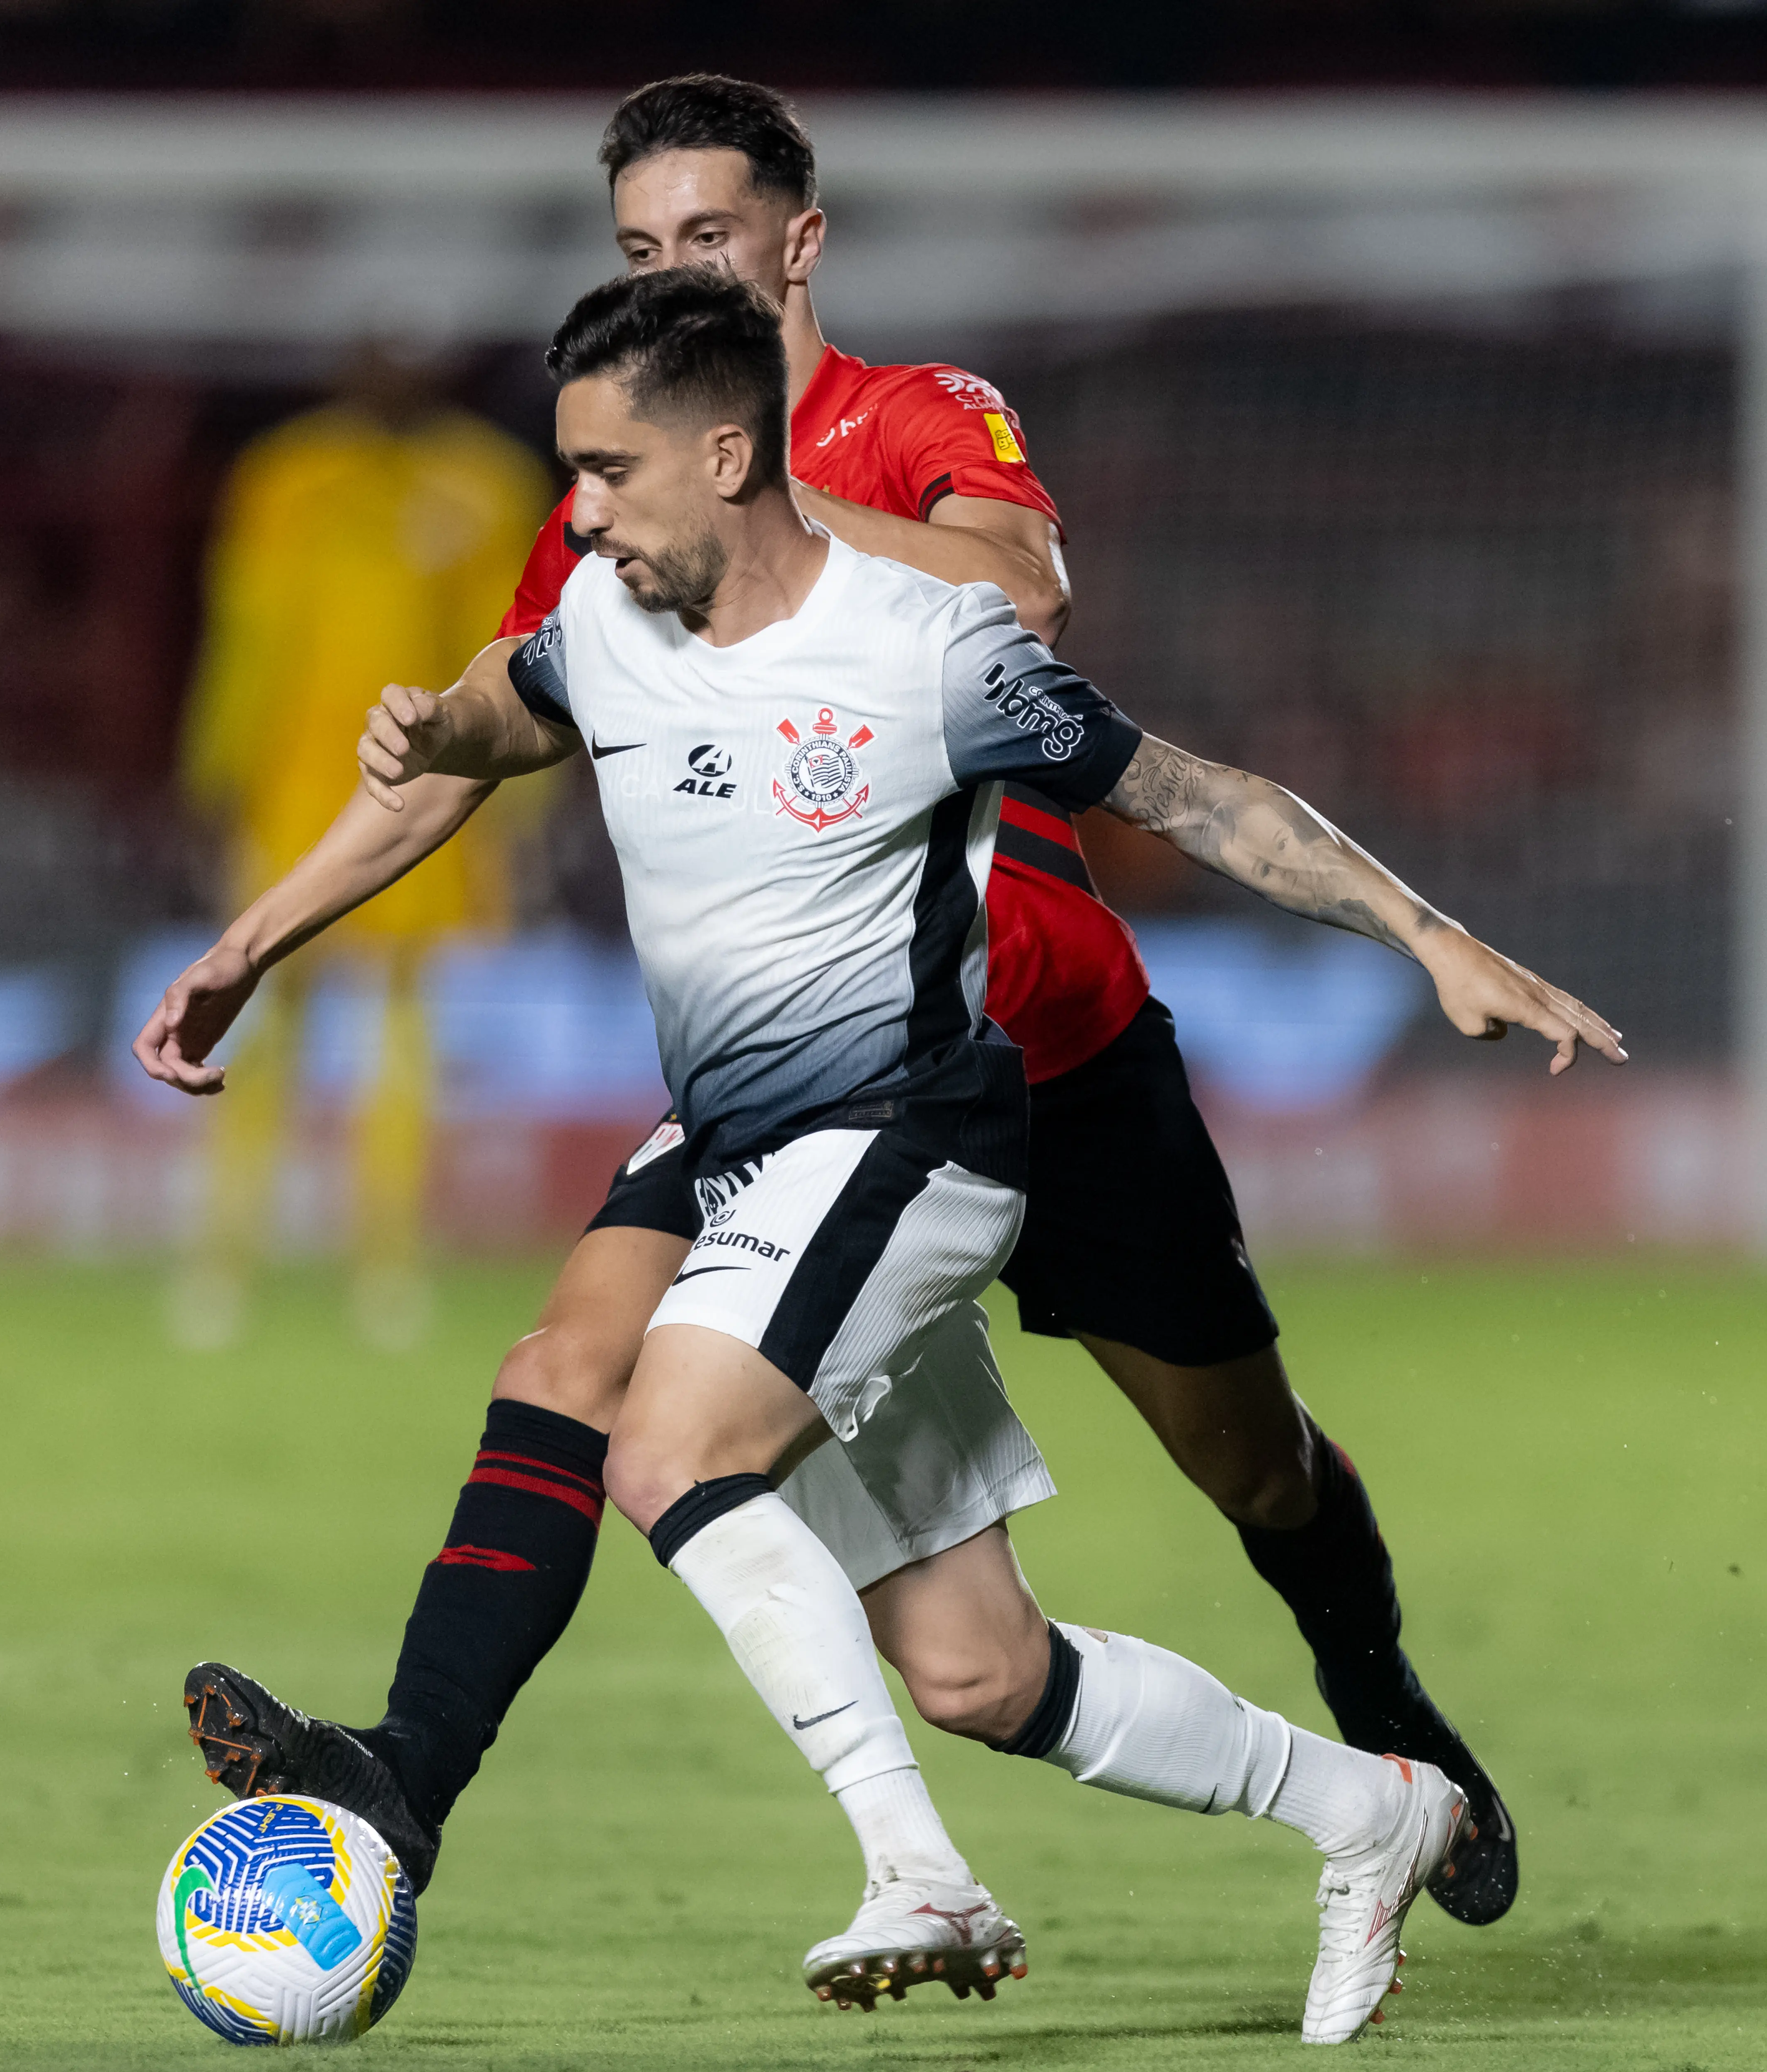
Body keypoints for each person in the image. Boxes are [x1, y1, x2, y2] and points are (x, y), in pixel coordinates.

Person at [143, 268, 1621, 2041]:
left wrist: (1428, 933)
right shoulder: (609, 625)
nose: (580, 512)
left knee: (666, 1435)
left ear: (726, 449)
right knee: (981, 1666)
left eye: (608, 473)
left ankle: (918, 1873)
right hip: (749, 1154)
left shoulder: (925, 650)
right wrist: (417, 742)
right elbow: (502, 711)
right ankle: (1375, 1809)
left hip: (915, 1134)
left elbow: (1201, 794)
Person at [405, 73, 1523, 1922]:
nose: (679, 268)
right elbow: (500, 715)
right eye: (640, 249)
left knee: (1249, 1462)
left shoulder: (913, 426)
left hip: (1048, 1056)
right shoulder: (617, 515)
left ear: (794, 241)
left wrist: (768, 498)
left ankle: (1374, 1708)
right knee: (585, 1381)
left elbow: (1036, 605)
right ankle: (397, 1792)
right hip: (794, 1098)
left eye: (706, 238)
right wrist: (260, 933)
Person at [174, 341, 549, 1348]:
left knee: (404, 1028)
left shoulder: (483, 486)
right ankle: (224, 1256)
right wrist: (219, 771)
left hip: (421, 787)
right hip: (296, 784)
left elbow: (511, 656)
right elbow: (247, 631)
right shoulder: (288, 478)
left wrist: (510, 811)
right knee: (259, 1009)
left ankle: (386, 1261)